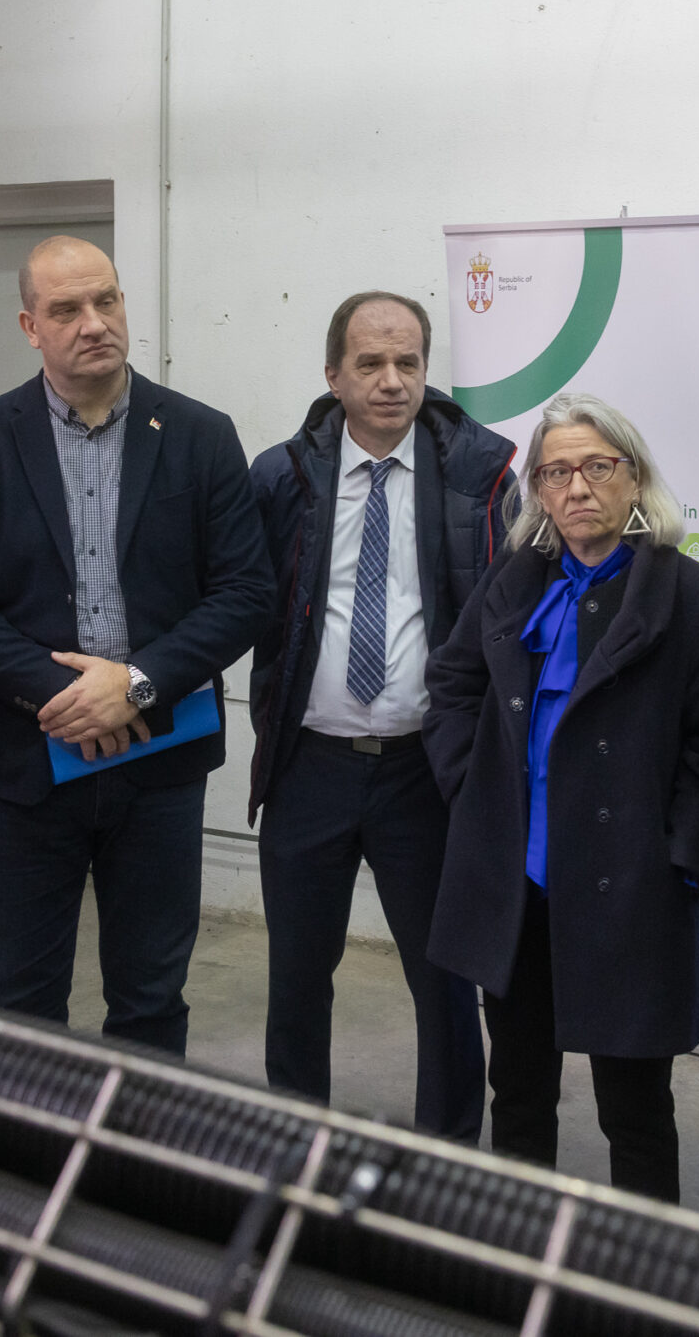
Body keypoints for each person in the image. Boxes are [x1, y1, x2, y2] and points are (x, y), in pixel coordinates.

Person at [0, 236, 271, 1053]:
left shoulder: (200, 434)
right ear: (29, 326)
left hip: (160, 760)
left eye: (106, 300)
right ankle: (31, 1141)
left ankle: (132, 1142)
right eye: (67, 309)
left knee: (151, 999)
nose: (94, 323)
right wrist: (70, 696)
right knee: (21, 1002)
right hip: (28, 764)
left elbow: (246, 593)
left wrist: (137, 684)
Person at [423, 393, 699, 1202]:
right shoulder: (513, 581)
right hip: (518, 888)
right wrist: (472, 789)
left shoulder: (691, 598)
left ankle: (641, 1265)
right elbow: (453, 685)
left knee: (634, 1111)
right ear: (538, 489)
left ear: (634, 479)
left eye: (598, 468)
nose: (577, 489)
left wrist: (681, 865)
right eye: (556, 472)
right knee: (518, 1090)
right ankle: (520, 1248)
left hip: (629, 891)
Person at [248, 290, 516, 1140]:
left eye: (408, 362)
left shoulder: (481, 476)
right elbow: (247, 602)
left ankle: (449, 1150)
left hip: (423, 771)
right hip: (310, 765)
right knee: (297, 975)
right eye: (370, 363)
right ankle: (295, 1139)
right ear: (333, 375)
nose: (391, 381)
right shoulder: (282, 476)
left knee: (443, 978)